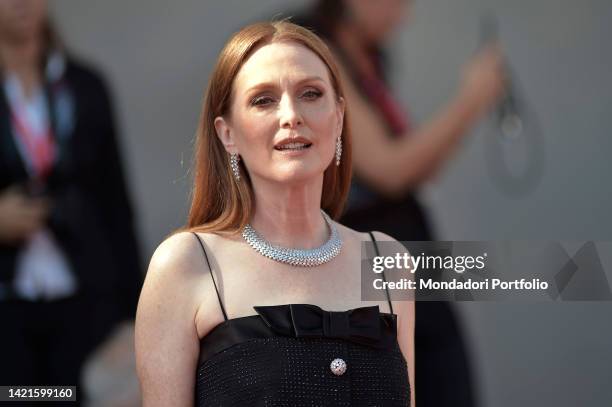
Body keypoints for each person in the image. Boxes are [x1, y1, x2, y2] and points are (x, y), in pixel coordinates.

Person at [136, 21, 414, 406]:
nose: (291, 115)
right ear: (227, 133)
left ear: (338, 118)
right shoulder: (187, 264)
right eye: (263, 100)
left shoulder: (387, 261)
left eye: (311, 93)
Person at [292, 1, 507, 406]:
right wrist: (473, 99)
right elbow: (389, 169)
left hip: (407, 253)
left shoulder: (367, 52)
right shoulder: (313, 46)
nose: (403, 16)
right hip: (359, 269)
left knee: (446, 379)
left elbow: (409, 165)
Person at [0, 0, 143, 403]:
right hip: (9, 308)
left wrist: (132, 315)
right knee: (24, 397)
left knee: (74, 396)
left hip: (82, 297)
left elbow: (116, 203)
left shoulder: (84, 85)